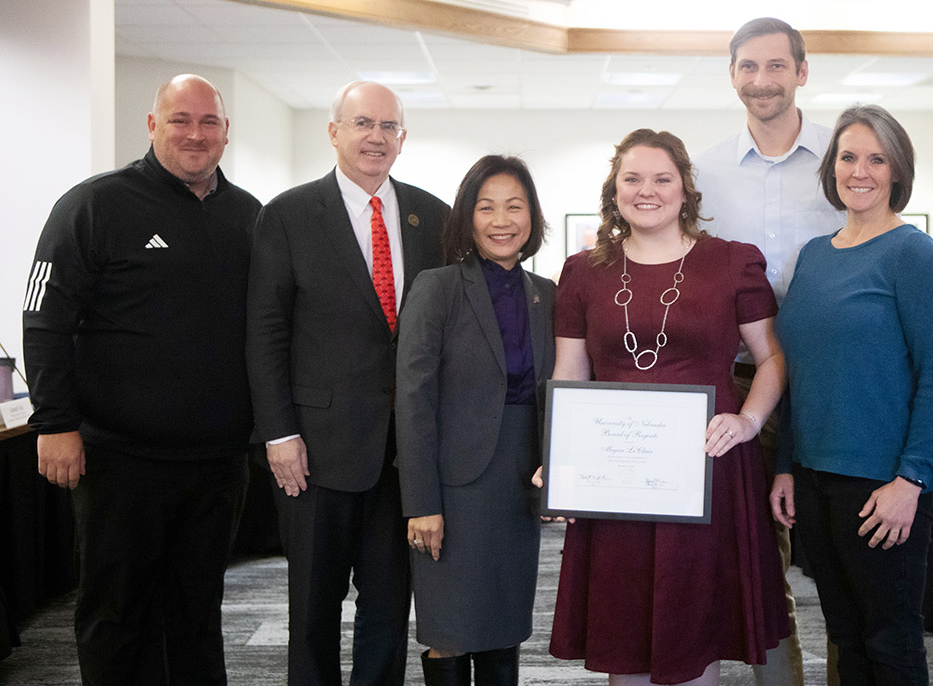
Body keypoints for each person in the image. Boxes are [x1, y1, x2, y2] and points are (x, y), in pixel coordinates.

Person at [22, 74, 261, 683]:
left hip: (216, 464)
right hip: (118, 461)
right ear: (152, 125)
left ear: (227, 133)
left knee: (199, 614)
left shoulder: (250, 217)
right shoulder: (95, 205)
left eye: (209, 122)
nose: (195, 133)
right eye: (180, 119)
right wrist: (54, 423)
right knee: (116, 615)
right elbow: (43, 318)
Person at [546, 128, 790, 686]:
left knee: (694, 630)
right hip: (616, 478)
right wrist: (563, 463)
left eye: (662, 178)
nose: (647, 190)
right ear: (615, 190)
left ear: (686, 190)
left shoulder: (732, 262)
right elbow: (570, 372)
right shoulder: (583, 271)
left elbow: (771, 356)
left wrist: (748, 421)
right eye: (632, 178)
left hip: (708, 470)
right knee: (622, 629)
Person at [246, 81, 449, 685]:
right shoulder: (286, 215)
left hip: (401, 456)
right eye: (363, 123)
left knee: (389, 607)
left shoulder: (431, 216)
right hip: (314, 451)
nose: (376, 137)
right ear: (333, 132)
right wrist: (278, 433)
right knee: (313, 608)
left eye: (389, 127)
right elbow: (264, 334)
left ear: (402, 139)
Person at [771, 104, 933, 685]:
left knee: (891, 642)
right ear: (831, 167)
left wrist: (912, 481)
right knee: (845, 635)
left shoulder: (914, 255)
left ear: (897, 172)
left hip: (883, 485)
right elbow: (800, 371)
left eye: (877, 159)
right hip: (815, 476)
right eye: (849, 157)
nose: (861, 171)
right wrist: (784, 469)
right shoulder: (815, 255)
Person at [693, 16, 844, 686]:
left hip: (834, 380)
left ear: (802, 72)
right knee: (761, 555)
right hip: (749, 381)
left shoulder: (847, 159)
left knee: (846, 555)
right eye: (748, 67)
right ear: (732, 76)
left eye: (776, 66)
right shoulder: (705, 173)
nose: (762, 81)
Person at [395, 155, 555, 686]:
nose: (501, 220)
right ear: (468, 217)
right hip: (452, 486)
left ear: (532, 217)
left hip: (518, 484)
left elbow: (562, 393)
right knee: (449, 628)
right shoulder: (437, 286)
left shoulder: (547, 296)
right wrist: (421, 502)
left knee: (504, 622)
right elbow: (413, 399)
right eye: (486, 207)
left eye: (515, 206)